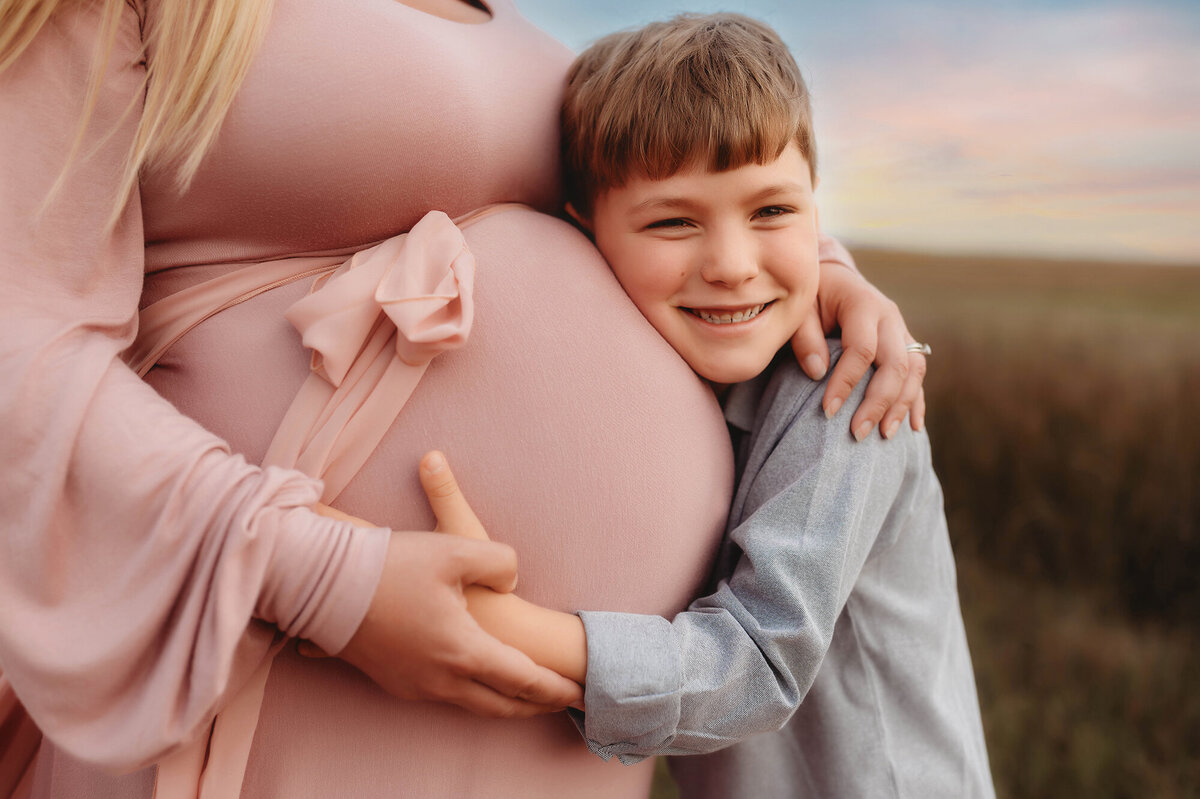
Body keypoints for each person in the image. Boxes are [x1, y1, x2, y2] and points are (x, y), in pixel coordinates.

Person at [0, 1, 928, 796]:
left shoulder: (520, 35)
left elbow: (657, 186)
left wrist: (823, 273)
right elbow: (21, 340)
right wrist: (322, 575)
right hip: (269, 654)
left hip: (566, 741)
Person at [424, 13, 994, 797]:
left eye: (772, 212)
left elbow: (760, 660)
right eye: (673, 221)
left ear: (815, 207)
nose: (730, 264)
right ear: (585, 235)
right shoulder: (664, 358)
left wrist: (515, 630)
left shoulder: (844, 390)